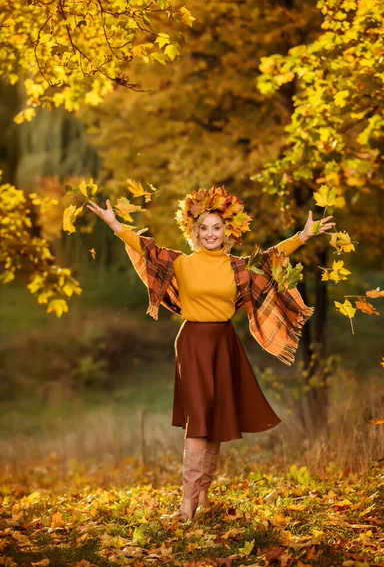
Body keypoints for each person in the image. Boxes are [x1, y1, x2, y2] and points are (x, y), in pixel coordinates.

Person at [87, 185, 335, 522]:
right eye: (203, 227)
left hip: (224, 343)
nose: (210, 234)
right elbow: (146, 249)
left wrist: (303, 236)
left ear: (227, 231)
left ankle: (203, 496)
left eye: (216, 227)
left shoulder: (238, 267)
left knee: (215, 419)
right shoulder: (182, 263)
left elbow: (271, 258)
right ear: (193, 231)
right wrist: (116, 226)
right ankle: (187, 504)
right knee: (199, 422)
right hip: (193, 343)